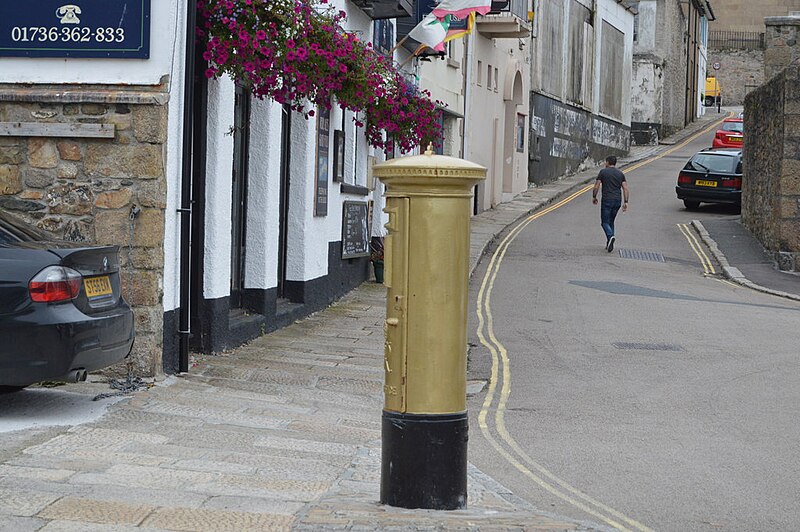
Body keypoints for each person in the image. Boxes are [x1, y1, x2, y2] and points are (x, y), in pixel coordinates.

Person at [592, 155, 629, 252]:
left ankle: (610, 236)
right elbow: (625, 188)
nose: (605, 164)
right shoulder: (620, 173)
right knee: (611, 221)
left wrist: (594, 197)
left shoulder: (603, 172)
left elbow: (596, 186)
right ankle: (609, 242)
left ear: (608, 162)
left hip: (607, 200)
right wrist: (626, 202)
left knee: (604, 222)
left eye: (605, 162)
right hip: (617, 200)